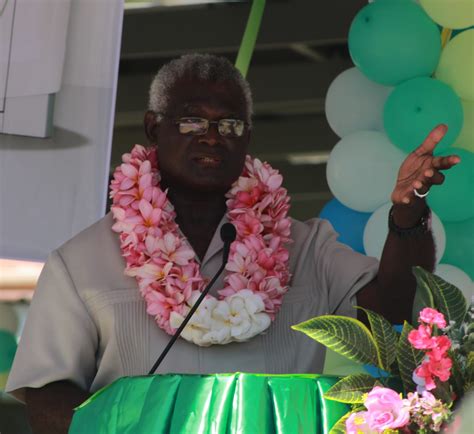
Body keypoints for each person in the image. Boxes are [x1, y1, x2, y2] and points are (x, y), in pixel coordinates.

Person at [6, 54, 460, 433]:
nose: (210, 136)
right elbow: (48, 396)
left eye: (229, 124)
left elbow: (393, 308)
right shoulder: (81, 261)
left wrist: (408, 211)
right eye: (190, 121)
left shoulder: (305, 247)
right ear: (152, 128)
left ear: (247, 138)